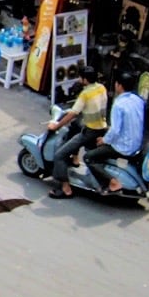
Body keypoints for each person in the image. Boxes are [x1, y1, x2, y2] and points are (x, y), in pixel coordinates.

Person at [47, 66, 110, 198]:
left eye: (80, 77)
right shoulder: (101, 88)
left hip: (90, 132)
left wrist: (57, 126)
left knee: (59, 155)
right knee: (76, 127)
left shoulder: (85, 94)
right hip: (102, 129)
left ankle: (65, 189)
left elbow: (72, 114)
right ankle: (75, 160)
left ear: (85, 79)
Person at [83, 71, 145, 192]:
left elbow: (115, 130)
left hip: (123, 147)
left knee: (88, 157)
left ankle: (112, 183)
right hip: (136, 144)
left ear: (119, 86)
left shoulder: (119, 104)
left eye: (116, 83)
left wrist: (104, 140)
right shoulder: (138, 100)